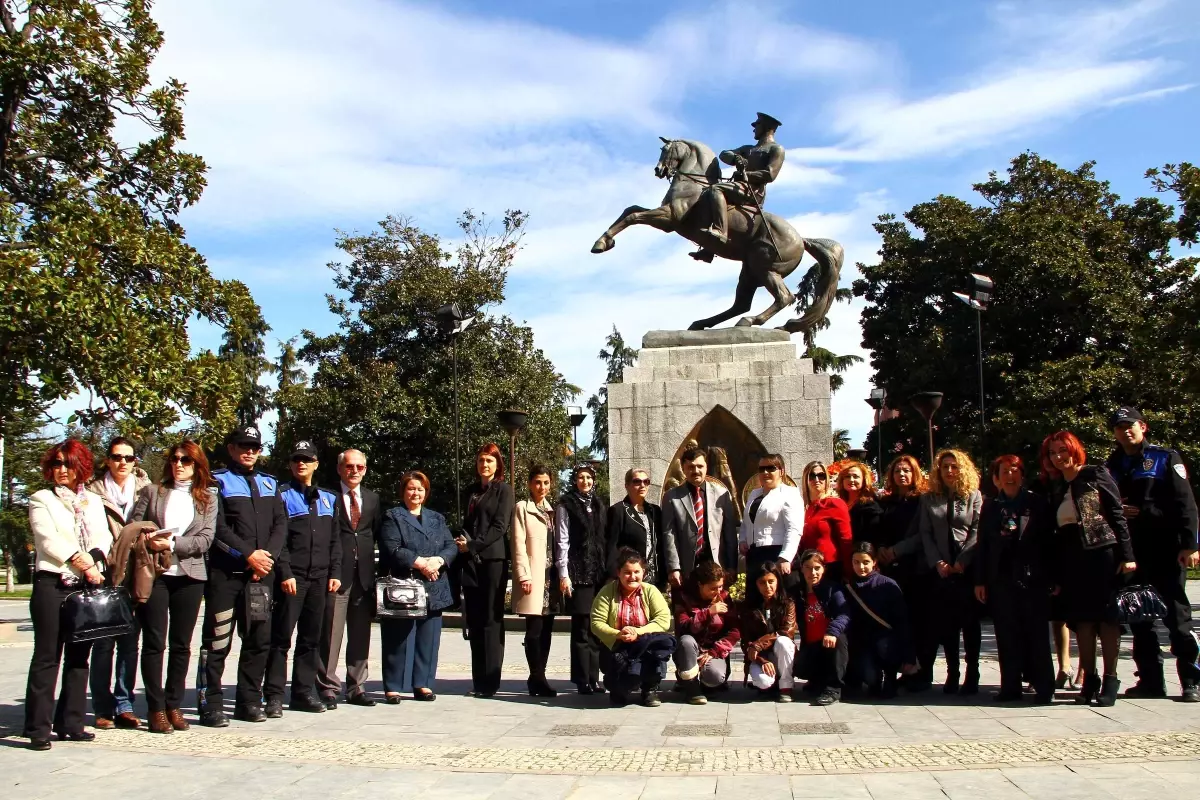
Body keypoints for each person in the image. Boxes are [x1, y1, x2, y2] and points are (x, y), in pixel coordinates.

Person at [1105, 407, 1200, 702]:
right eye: (1119, 427)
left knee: (1177, 617)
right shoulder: (1113, 463)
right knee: (1139, 617)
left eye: (1129, 425)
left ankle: (1191, 680)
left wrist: (1190, 545)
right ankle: (1150, 680)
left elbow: (1185, 504)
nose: (1125, 431)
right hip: (1133, 553)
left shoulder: (1164, 458)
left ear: (1143, 426)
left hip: (1166, 549)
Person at [24, 440, 112, 750]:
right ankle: (37, 727)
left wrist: (95, 563)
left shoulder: (94, 501)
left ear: (81, 468)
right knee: (48, 656)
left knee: (79, 657)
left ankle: (71, 722)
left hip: (86, 585)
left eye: (69, 464)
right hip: (53, 583)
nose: (63, 470)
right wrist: (80, 560)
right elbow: (47, 538)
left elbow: (103, 536)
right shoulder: (41, 499)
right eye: (58, 464)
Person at [198, 425, 287, 726]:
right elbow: (217, 528)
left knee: (258, 641)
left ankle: (249, 701)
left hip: (261, 577)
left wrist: (267, 559)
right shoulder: (216, 481)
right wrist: (248, 555)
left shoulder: (270, 483)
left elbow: (280, 524)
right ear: (232, 448)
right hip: (227, 574)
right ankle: (210, 702)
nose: (249, 451)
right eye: (243, 446)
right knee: (217, 643)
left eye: (255, 447)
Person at [1042, 431, 1137, 707]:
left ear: (1074, 449)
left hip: (1101, 553)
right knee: (1082, 620)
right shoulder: (1058, 485)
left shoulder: (1095, 474)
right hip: (1072, 559)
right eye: (1052, 452)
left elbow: (1117, 514)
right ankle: (1090, 679)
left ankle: (1110, 679)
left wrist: (1128, 555)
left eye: (1063, 450)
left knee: (1107, 620)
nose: (1058, 457)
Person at [126, 440, 216, 733]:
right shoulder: (152, 492)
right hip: (157, 574)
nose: (179, 464)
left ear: (197, 465)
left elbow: (205, 540)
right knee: (154, 643)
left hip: (190, 577)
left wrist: (174, 543)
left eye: (186, 460)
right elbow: (132, 529)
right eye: (175, 459)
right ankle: (155, 708)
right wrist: (149, 542)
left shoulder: (207, 498)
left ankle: (174, 704)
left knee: (181, 645)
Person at [894, 449, 983, 695]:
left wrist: (963, 561)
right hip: (940, 569)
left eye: (954, 466)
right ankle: (952, 672)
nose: (950, 471)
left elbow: (977, 531)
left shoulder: (973, 496)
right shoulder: (930, 498)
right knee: (948, 625)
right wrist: (938, 562)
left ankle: (972, 672)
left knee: (970, 624)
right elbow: (925, 533)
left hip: (966, 567)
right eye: (945, 467)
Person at [264, 441, 341, 717]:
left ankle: (302, 693)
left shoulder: (329, 498)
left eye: (307, 460)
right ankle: (273, 695)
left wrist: (335, 572)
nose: (301, 464)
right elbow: (279, 540)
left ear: (316, 464)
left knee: (310, 639)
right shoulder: (281, 495)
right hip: (293, 578)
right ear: (290, 464)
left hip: (320, 578)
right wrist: (284, 572)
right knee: (281, 637)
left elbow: (335, 540)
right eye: (296, 459)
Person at [973, 455, 1055, 704]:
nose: (1010, 476)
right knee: (1006, 634)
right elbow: (983, 544)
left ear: (1022, 474)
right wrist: (980, 580)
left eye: (1014, 471)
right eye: (1004, 472)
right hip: (1001, 578)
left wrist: (1051, 576)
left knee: (1037, 634)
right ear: (996, 478)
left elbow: (1048, 543)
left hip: (1031, 577)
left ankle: (1044, 686)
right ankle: (1010, 686)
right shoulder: (991, 506)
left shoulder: (1036, 502)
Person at [85, 436, 151, 731]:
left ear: (135, 461)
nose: (122, 462)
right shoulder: (91, 492)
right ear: (107, 460)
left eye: (128, 457)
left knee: (130, 642)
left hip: (136, 574)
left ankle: (124, 704)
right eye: (116, 457)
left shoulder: (146, 489)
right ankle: (102, 706)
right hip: (105, 572)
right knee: (102, 643)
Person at [379, 471, 457, 703]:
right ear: (403, 491)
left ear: (426, 492)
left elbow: (450, 545)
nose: (416, 493)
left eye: (420, 489)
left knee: (428, 637)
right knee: (398, 637)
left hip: (433, 584)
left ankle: (422, 683)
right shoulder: (392, 516)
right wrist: (421, 563)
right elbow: (392, 547)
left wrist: (438, 561)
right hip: (405, 585)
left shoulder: (437, 518)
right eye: (411, 488)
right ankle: (393, 686)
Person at [317, 449, 382, 709]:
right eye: (349, 466)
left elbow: (373, 534)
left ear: (365, 469)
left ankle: (356, 686)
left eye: (359, 467)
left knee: (360, 633)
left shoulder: (373, 499)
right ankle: (327, 686)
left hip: (364, 576)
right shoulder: (327, 496)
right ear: (339, 469)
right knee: (331, 633)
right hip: (336, 575)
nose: (354, 471)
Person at [456, 443, 513, 698]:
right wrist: (463, 542)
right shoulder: (470, 491)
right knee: (476, 621)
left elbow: (500, 526)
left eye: (489, 461)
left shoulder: (504, 490)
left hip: (492, 560)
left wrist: (474, 545)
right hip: (470, 561)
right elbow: (464, 522)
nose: (485, 465)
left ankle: (491, 681)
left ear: (497, 464)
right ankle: (478, 680)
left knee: (491, 619)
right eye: (481, 460)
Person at [874, 456, 932, 689]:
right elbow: (880, 529)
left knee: (917, 622)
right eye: (898, 470)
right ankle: (903, 668)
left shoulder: (922, 501)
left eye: (907, 470)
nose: (902, 475)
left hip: (914, 568)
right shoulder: (887, 502)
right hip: (891, 569)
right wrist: (881, 549)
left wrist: (897, 550)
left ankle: (920, 672)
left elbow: (923, 534)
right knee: (896, 621)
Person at [590, 547, 675, 707]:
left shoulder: (651, 591)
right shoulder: (607, 592)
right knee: (620, 685)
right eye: (627, 572)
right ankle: (619, 689)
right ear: (618, 572)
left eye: (637, 572)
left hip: (645, 643)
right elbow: (596, 622)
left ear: (643, 572)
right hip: (618, 646)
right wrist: (618, 633)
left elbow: (663, 620)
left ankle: (650, 689)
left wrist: (638, 632)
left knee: (659, 647)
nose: (632, 576)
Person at [695, 112, 786, 251]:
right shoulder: (748, 149)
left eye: (757, 124)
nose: (754, 128)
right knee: (709, 197)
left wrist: (745, 175)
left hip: (753, 191)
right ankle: (709, 249)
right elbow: (724, 154)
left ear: (767, 127)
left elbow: (770, 174)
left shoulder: (776, 149)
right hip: (739, 187)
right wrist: (735, 158)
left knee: (716, 189)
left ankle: (721, 232)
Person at [556, 463, 608, 694]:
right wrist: (563, 574)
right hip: (577, 572)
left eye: (588, 477)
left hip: (597, 573)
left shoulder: (598, 504)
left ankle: (594, 677)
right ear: (574, 480)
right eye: (580, 477)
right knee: (581, 628)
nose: (585, 481)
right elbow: (562, 540)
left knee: (596, 627)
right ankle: (581, 679)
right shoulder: (566, 504)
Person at [844, 542, 916, 698]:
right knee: (869, 676)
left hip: (886, 641)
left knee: (884, 645)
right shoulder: (849, 587)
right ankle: (874, 680)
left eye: (865, 562)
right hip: (863, 642)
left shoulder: (887, 585)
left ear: (874, 562)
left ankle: (890, 678)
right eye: (856, 562)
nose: (861, 567)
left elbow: (902, 621)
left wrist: (909, 656)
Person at [511, 465, 559, 697]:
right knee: (534, 630)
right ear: (530, 484)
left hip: (550, 577)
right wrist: (523, 574)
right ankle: (536, 676)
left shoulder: (552, 511)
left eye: (546, 483)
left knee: (547, 629)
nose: (542, 487)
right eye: (538, 482)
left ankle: (540, 675)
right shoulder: (522, 508)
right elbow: (518, 544)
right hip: (534, 575)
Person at [661, 447, 739, 588]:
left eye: (700, 466)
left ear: (706, 467)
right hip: (686, 568)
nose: (696, 471)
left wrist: (732, 566)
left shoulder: (722, 494)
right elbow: (669, 534)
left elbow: (730, 533)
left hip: (716, 565)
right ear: (684, 469)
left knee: (718, 609)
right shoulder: (671, 497)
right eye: (690, 467)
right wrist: (674, 568)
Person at [672, 559, 740, 705]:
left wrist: (714, 652)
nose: (718, 592)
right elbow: (683, 627)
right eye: (713, 588)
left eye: (720, 587)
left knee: (714, 676)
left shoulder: (725, 598)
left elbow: (734, 631)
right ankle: (691, 687)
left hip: (713, 650)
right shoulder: (684, 598)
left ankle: (704, 683)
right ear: (700, 585)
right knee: (686, 641)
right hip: (690, 651)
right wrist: (708, 613)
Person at [791, 550, 849, 706]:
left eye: (817, 567)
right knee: (801, 667)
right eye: (808, 567)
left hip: (829, 644)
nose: (813, 572)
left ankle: (834, 689)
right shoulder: (797, 592)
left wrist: (832, 631)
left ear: (824, 569)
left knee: (839, 639)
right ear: (801, 568)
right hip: (811, 646)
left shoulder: (833, 589)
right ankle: (817, 680)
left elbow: (843, 614)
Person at [738, 560, 797, 702]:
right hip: (760, 656)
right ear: (756, 584)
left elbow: (786, 631)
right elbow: (746, 642)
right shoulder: (747, 608)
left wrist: (759, 643)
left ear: (778, 581)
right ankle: (771, 683)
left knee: (784, 642)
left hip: (781, 653)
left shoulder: (788, 603)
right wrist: (761, 660)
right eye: (762, 583)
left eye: (771, 581)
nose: (767, 587)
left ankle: (785, 687)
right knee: (764, 682)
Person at [740, 454, 803, 583]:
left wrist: (786, 557)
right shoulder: (754, 494)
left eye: (771, 468)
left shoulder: (790, 493)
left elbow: (794, 529)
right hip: (755, 555)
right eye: (762, 469)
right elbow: (746, 523)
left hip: (777, 553)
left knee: (782, 599)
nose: (765, 472)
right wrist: (742, 540)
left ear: (781, 471)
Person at [606, 467, 667, 590]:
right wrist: (613, 576)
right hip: (630, 577)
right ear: (627, 485)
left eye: (646, 482)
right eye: (637, 482)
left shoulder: (655, 511)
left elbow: (660, 544)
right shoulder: (618, 511)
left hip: (655, 577)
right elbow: (611, 546)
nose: (642, 485)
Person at [797, 461, 853, 579]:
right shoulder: (805, 509)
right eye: (812, 476)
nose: (817, 480)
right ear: (805, 480)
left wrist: (848, 572)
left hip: (831, 567)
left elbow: (846, 540)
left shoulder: (835, 503)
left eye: (821, 475)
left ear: (826, 479)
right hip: (810, 571)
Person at [838, 461, 883, 546]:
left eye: (856, 477)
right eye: (847, 476)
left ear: (863, 480)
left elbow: (874, 534)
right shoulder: (840, 503)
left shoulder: (870, 505)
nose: (851, 480)